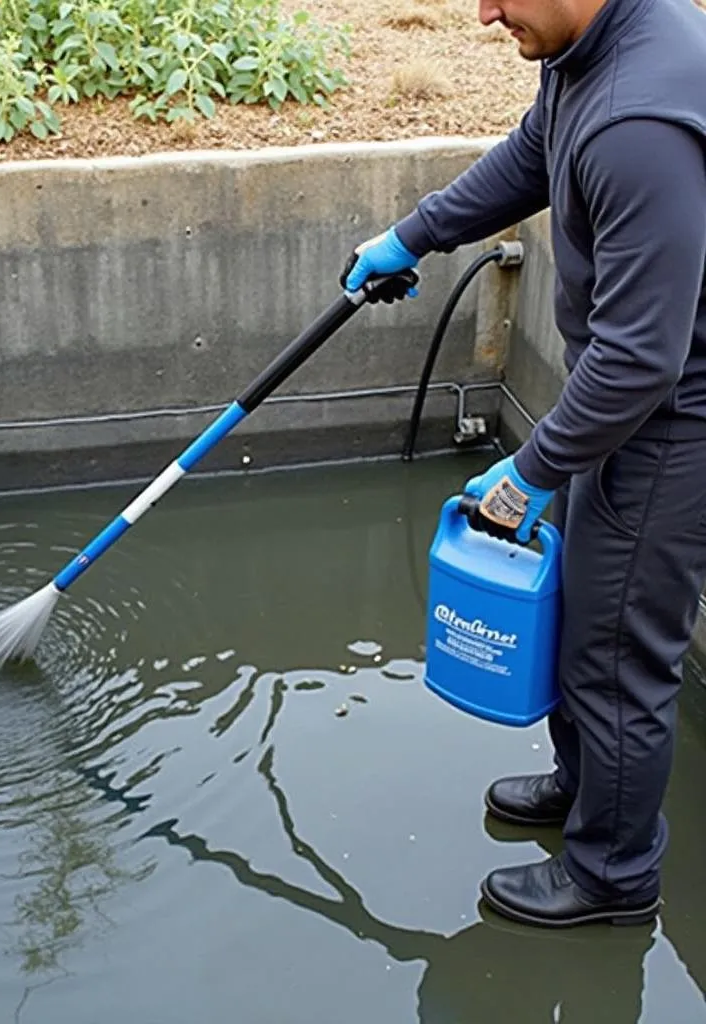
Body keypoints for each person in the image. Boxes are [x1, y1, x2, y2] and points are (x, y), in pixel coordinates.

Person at [345, 0, 706, 928]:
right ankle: (584, 788)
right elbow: (533, 154)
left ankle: (612, 878)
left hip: (675, 418)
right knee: (588, 614)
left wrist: (528, 472)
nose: (484, 13)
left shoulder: (641, 121)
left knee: (620, 651)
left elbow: (640, 359)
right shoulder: (591, 46)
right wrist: (418, 233)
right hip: (630, 396)